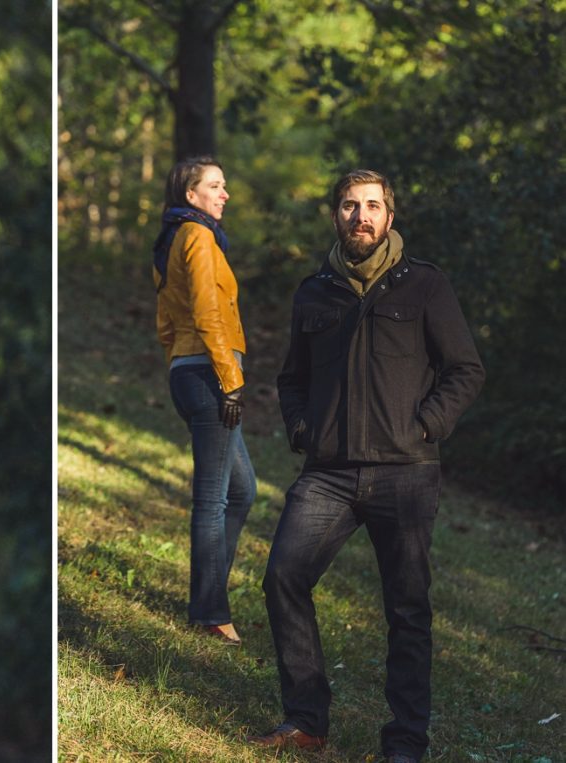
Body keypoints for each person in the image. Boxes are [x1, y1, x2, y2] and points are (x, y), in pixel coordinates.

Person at [249, 170, 484, 762]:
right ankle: (306, 718)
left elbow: (465, 370)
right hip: (328, 472)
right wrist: (302, 427)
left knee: (407, 607)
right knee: (283, 576)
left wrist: (426, 425)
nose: (362, 216)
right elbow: (291, 378)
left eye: (373, 206)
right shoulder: (314, 292)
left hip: (405, 470)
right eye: (351, 206)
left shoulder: (424, 286)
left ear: (390, 215)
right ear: (335, 215)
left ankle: (405, 742)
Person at [152, 156, 256, 646]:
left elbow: (165, 323)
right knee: (214, 499)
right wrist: (228, 377)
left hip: (192, 368)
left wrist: (181, 362)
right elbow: (206, 310)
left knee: (243, 491)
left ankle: (208, 594)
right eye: (215, 185)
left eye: (224, 184)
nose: (225, 193)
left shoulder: (176, 237)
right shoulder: (197, 237)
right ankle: (211, 611)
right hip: (210, 372)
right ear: (190, 195)